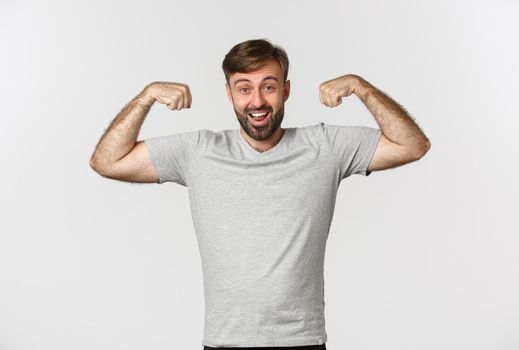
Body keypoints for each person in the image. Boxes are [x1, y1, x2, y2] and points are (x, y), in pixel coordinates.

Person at [89, 38, 431, 350]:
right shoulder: (198, 152)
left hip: (302, 340)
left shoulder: (325, 147)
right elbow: (107, 161)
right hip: (224, 341)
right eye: (244, 88)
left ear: (285, 90)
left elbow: (413, 145)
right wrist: (146, 96)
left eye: (268, 87)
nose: (257, 101)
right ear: (229, 94)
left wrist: (360, 87)